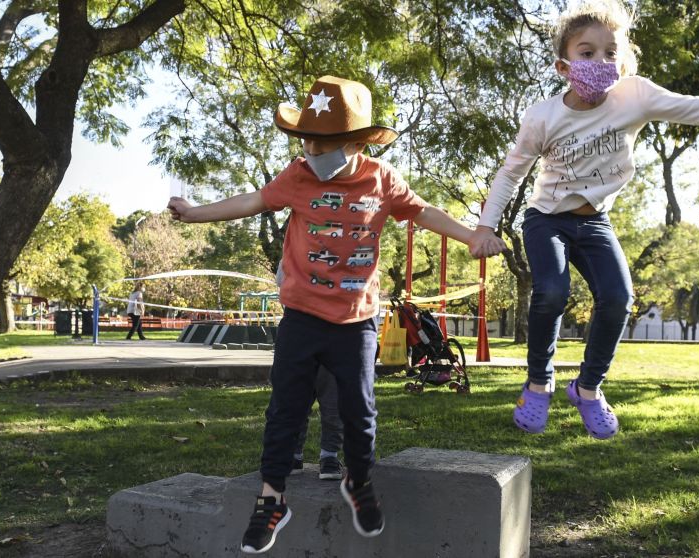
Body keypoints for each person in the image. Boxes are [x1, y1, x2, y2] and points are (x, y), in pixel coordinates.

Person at [468, 0, 699, 440]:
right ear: (563, 66)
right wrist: (485, 226)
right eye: (587, 53)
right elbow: (511, 173)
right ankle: (538, 384)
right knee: (552, 292)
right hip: (546, 219)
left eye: (610, 53)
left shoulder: (635, 96)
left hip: (595, 222)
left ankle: (587, 389)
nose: (600, 62)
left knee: (618, 298)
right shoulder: (543, 117)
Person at [168, 75, 483, 554]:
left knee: (359, 411)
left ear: (357, 143)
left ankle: (358, 481)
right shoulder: (298, 176)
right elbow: (252, 201)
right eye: (307, 140)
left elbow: (423, 212)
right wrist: (195, 213)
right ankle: (272, 499)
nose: (312, 149)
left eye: (323, 143)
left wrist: (472, 235)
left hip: (356, 322)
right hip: (301, 315)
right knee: (285, 410)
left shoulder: (381, 179)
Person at [277, 259, 345, 481]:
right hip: (305, 337)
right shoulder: (292, 255)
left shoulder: (345, 255)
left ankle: (328, 456)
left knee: (331, 401)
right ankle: (296, 454)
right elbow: (283, 284)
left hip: (330, 337)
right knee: (295, 400)